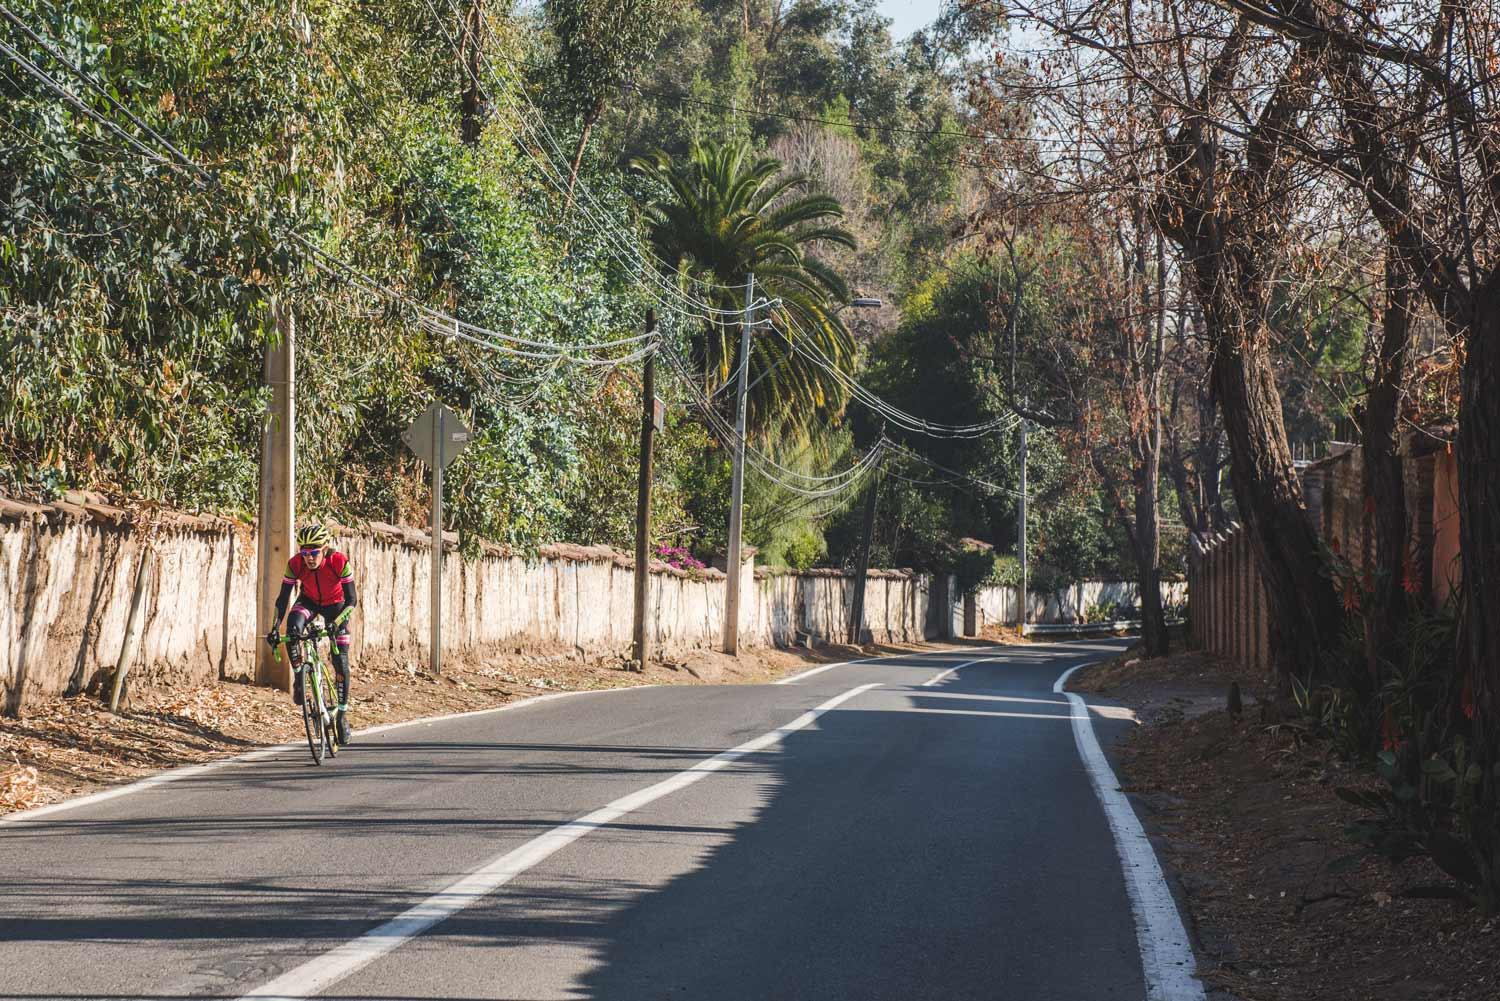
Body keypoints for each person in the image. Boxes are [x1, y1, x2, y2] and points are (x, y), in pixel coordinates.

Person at [266, 523, 356, 744]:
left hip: (336, 606)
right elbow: (282, 598)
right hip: (309, 601)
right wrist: (275, 627)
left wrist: (337, 622)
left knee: (340, 660)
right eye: (304, 552)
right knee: (293, 629)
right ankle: (299, 677)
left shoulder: (339, 562)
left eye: (314, 552)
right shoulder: (295, 564)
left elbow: (352, 600)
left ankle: (342, 714)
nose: (309, 557)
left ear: (324, 549)